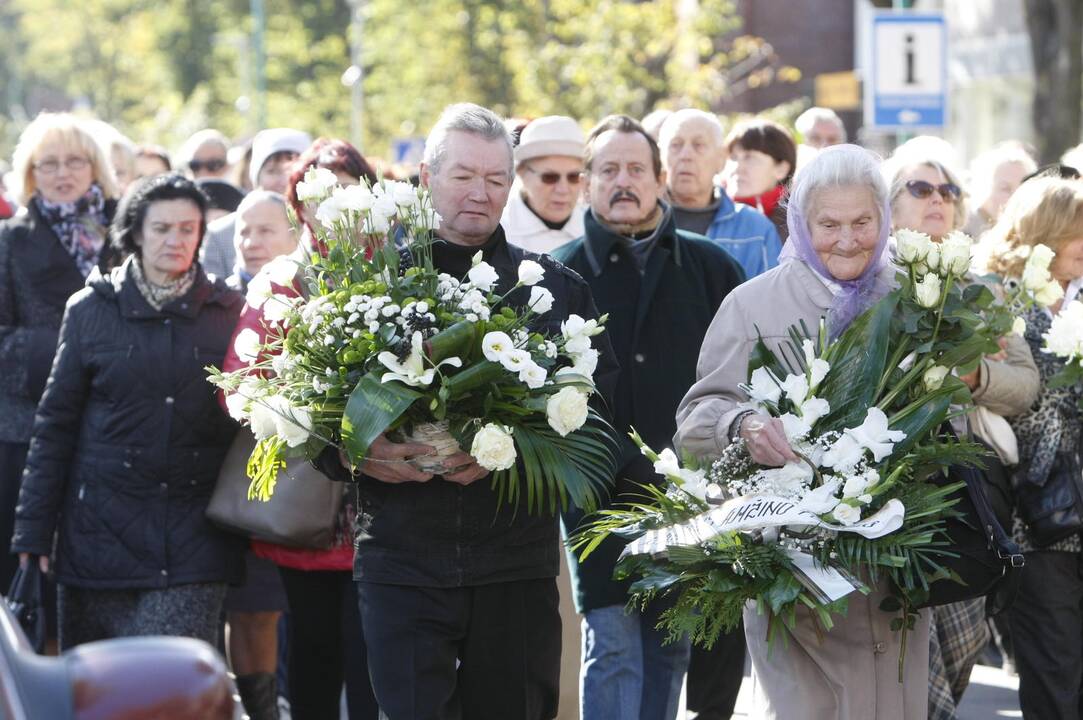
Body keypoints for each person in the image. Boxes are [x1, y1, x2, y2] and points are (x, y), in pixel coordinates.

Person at [316, 103, 616, 720]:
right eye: (462, 176)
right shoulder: (366, 286)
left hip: (516, 568)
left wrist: (511, 458)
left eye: (496, 179)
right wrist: (359, 449)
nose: (480, 193)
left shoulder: (558, 293)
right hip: (401, 562)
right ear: (426, 178)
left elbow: (597, 431)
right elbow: (312, 414)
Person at [675, 145, 929, 719]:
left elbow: (950, 413)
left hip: (894, 573)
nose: (847, 240)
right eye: (829, 225)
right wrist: (743, 426)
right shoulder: (753, 304)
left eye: (863, 222)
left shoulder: (914, 301)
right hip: (794, 573)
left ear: (884, 220)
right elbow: (695, 418)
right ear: (800, 223)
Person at [555, 114, 744, 720]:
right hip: (594, 498)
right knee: (611, 644)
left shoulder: (711, 268)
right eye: (608, 169)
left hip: (688, 495)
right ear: (587, 183)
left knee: (670, 648)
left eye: (636, 168)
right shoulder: (556, 276)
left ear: (661, 179)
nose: (623, 181)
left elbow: (746, 376)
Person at [10, 173, 245, 651]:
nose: (175, 241)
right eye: (161, 229)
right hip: (97, 541)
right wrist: (32, 534)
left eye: (187, 229)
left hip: (194, 541)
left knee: (171, 689)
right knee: (102, 695)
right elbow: (54, 428)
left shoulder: (227, 312)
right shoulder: (91, 310)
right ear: (136, 232)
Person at [884, 147, 1040, 720]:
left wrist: (973, 373)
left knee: (958, 648)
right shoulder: (867, 282)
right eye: (921, 189)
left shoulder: (986, 291)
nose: (938, 200)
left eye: (948, 192)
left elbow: (1025, 386)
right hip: (888, 493)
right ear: (890, 202)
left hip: (968, 494)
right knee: (901, 654)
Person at [0, 112, 121, 601]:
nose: (62, 173)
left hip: (116, 424)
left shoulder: (126, 232)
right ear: (29, 173)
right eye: (47, 164)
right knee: (32, 589)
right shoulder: (10, 240)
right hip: (26, 429)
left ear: (96, 167)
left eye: (75, 160)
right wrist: (73, 353)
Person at [985, 176, 1083, 720]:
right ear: (1048, 232)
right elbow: (1010, 396)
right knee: (1054, 671)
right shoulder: (999, 299)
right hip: (1037, 515)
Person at [660, 108, 781, 279]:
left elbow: (771, 300)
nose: (685, 155)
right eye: (675, 145)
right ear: (660, 157)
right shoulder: (642, 222)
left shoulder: (755, 230)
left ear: (721, 159)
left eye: (698, 145)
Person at [200, 128, 311, 279]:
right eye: (272, 171)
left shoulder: (325, 229)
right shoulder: (220, 234)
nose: (284, 181)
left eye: (293, 172)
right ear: (255, 179)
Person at [501, 116, 587, 254]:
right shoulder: (497, 231)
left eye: (573, 177)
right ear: (521, 172)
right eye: (550, 177)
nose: (563, 189)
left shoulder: (595, 232)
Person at [723, 118, 796, 241]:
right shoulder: (707, 211)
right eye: (733, 157)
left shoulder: (800, 224)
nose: (737, 168)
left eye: (750, 158)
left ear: (781, 169)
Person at [963, 143, 1037, 240]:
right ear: (982, 188)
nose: (1015, 196)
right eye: (1005, 189)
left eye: (1022, 188)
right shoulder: (962, 234)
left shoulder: (1031, 235)